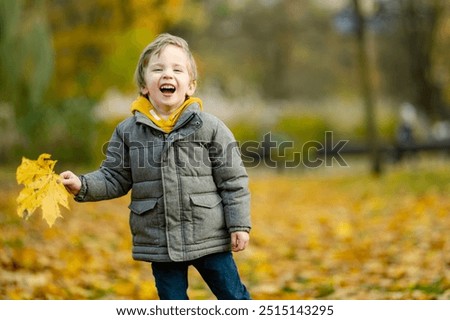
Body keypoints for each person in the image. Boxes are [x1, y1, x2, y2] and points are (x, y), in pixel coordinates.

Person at [60, 33, 251, 300]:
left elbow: (233, 181)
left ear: (190, 85)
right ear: (144, 86)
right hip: (160, 241)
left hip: (209, 235)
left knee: (233, 297)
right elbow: (114, 176)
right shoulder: (128, 132)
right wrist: (82, 185)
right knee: (172, 304)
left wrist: (239, 225)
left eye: (177, 69)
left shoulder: (210, 127)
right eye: (158, 69)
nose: (167, 75)